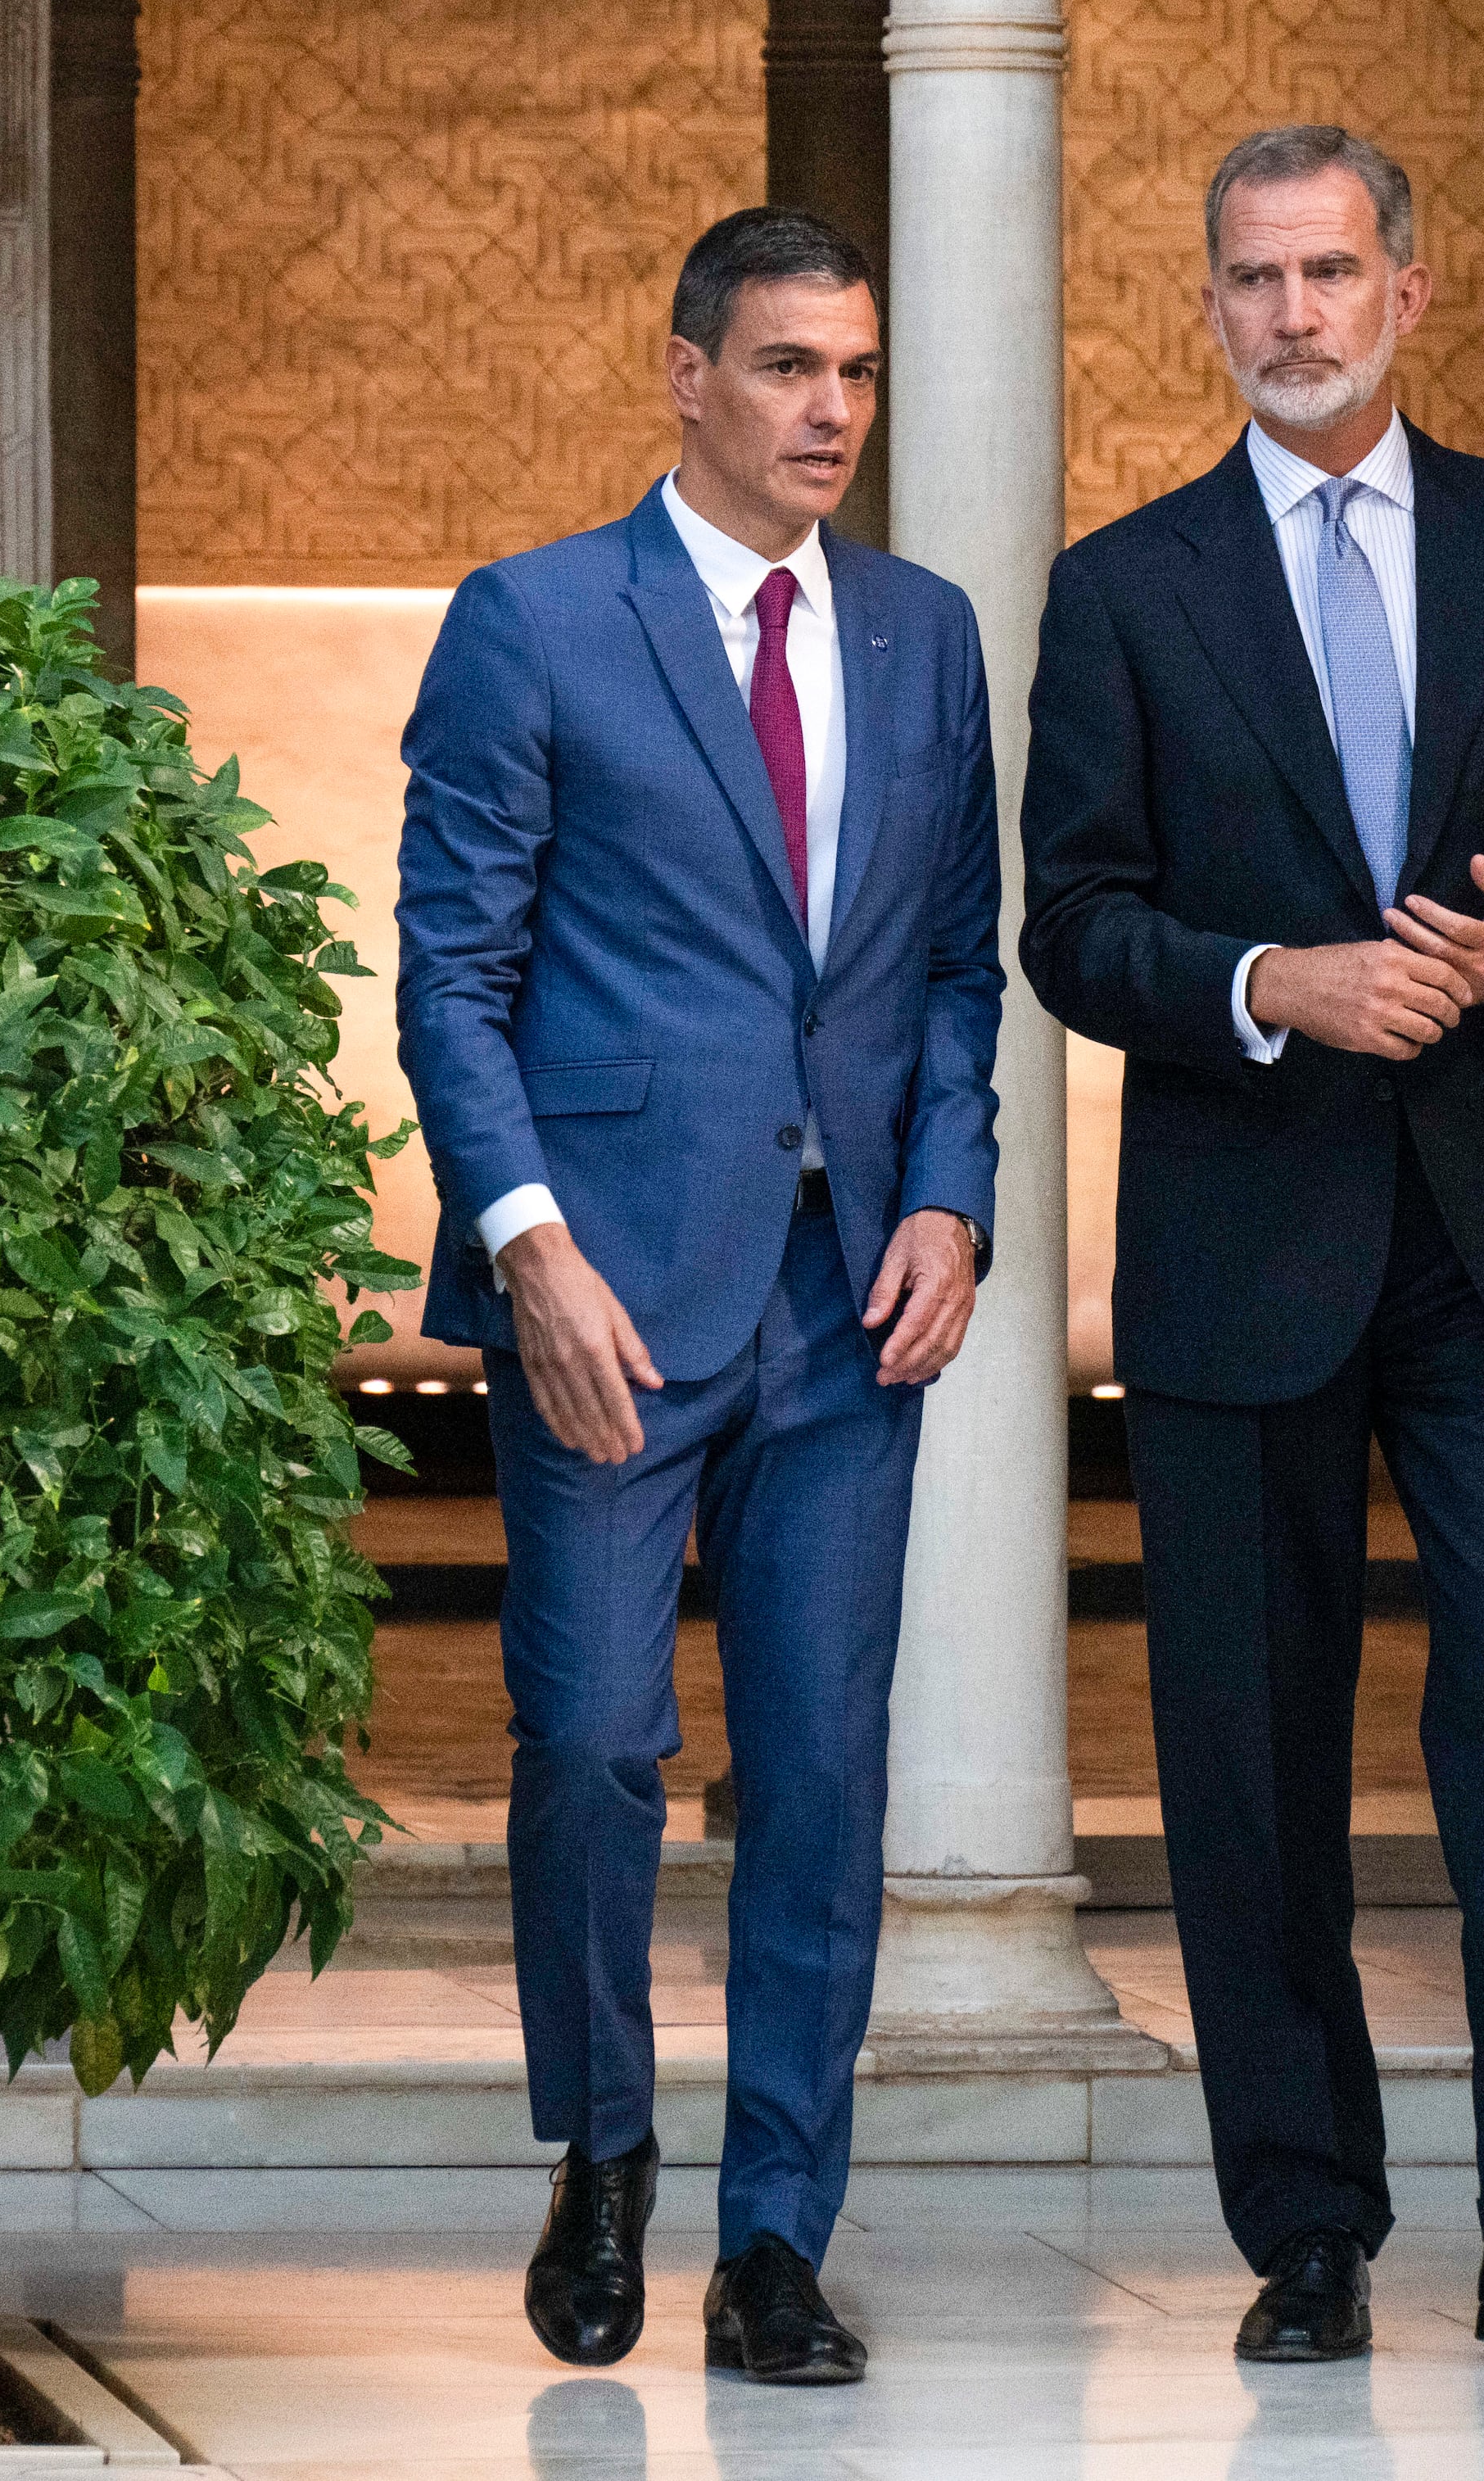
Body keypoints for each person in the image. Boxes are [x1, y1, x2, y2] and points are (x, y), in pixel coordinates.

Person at [1022, 125, 1484, 2367]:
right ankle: (1306, 2229)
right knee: (1246, 1741)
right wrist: (1266, 980)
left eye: (1328, 271)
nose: (1291, 313)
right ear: (1208, 307)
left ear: (1412, 286)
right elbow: (1075, 923)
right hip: (1243, 1232)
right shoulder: (1129, 585)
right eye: (1250, 280)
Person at [394, 206, 1003, 2384]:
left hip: (855, 1305)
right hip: (612, 1300)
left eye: (853, 370)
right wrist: (526, 1240)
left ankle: (772, 2236)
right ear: (687, 373)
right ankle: (603, 2151)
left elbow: (953, 970)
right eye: (785, 368)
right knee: (589, 1743)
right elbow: (452, 973)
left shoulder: (930, 638)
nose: (829, 408)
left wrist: (954, 1192)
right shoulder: (538, 621)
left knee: (824, 1769)